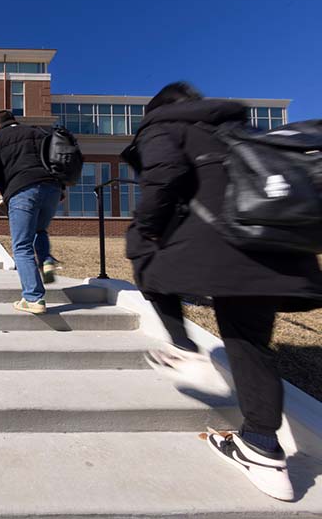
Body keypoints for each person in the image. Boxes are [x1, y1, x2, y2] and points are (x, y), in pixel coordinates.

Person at [123, 82, 322, 501]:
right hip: (272, 242)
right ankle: (261, 447)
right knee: (251, 345)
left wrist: (146, 226)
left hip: (225, 242)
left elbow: (164, 176)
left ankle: (182, 349)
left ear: (156, 110)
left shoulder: (164, 127)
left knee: (143, 255)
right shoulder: (239, 129)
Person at [0, 110, 61, 314]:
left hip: (22, 189)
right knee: (39, 230)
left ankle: (33, 298)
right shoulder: (38, 132)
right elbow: (57, 158)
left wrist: (6, 188)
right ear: (15, 121)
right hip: (52, 188)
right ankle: (47, 260)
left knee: (22, 245)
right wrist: (61, 188)